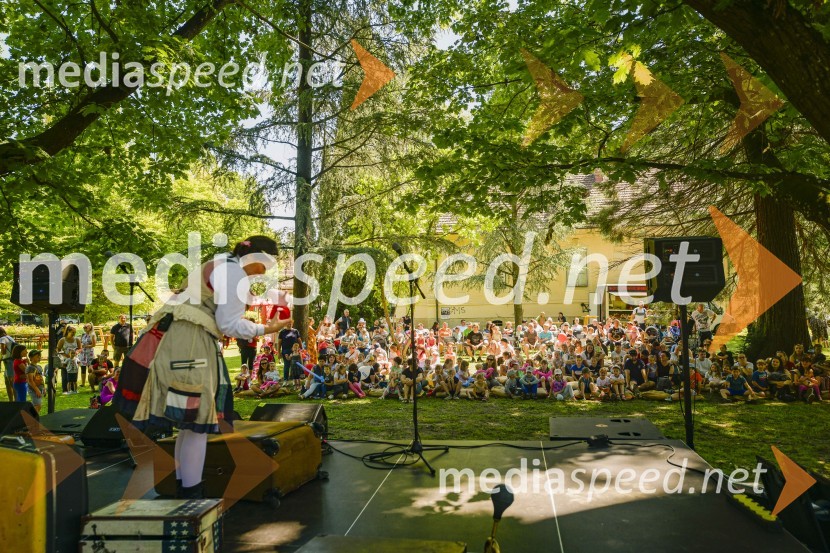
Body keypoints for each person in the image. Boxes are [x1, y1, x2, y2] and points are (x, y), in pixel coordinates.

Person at [115, 236, 291, 500]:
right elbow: (229, 323)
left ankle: (183, 487)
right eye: (265, 264)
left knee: (188, 425)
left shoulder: (221, 264)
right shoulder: (233, 273)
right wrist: (268, 328)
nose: (265, 271)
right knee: (198, 422)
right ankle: (191, 494)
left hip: (175, 338)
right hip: (190, 343)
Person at [57, 326, 82, 393]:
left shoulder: (77, 339)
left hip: (74, 360)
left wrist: (77, 352)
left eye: (75, 332)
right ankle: (65, 389)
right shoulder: (62, 340)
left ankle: (73, 389)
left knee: (74, 373)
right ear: (68, 331)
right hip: (65, 360)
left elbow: (80, 348)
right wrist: (65, 355)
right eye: (72, 332)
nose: (74, 334)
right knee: (65, 374)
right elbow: (58, 349)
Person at [78, 323, 97, 388]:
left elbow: (94, 345)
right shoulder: (83, 334)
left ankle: (90, 382)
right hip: (82, 353)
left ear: (90, 328)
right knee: (83, 368)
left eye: (86, 327)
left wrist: (86, 346)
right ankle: (83, 383)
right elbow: (80, 343)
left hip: (89, 353)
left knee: (90, 368)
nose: (85, 328)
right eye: (84, 327)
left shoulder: (93, 335)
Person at [0, 327, 16, 401]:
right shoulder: (10, 337)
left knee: (11, 382)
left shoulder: (2, 339)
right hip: (11, 361)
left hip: (8, 362)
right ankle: (12, 401)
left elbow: (3, 352)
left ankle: (15, 401)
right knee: (8, 382)